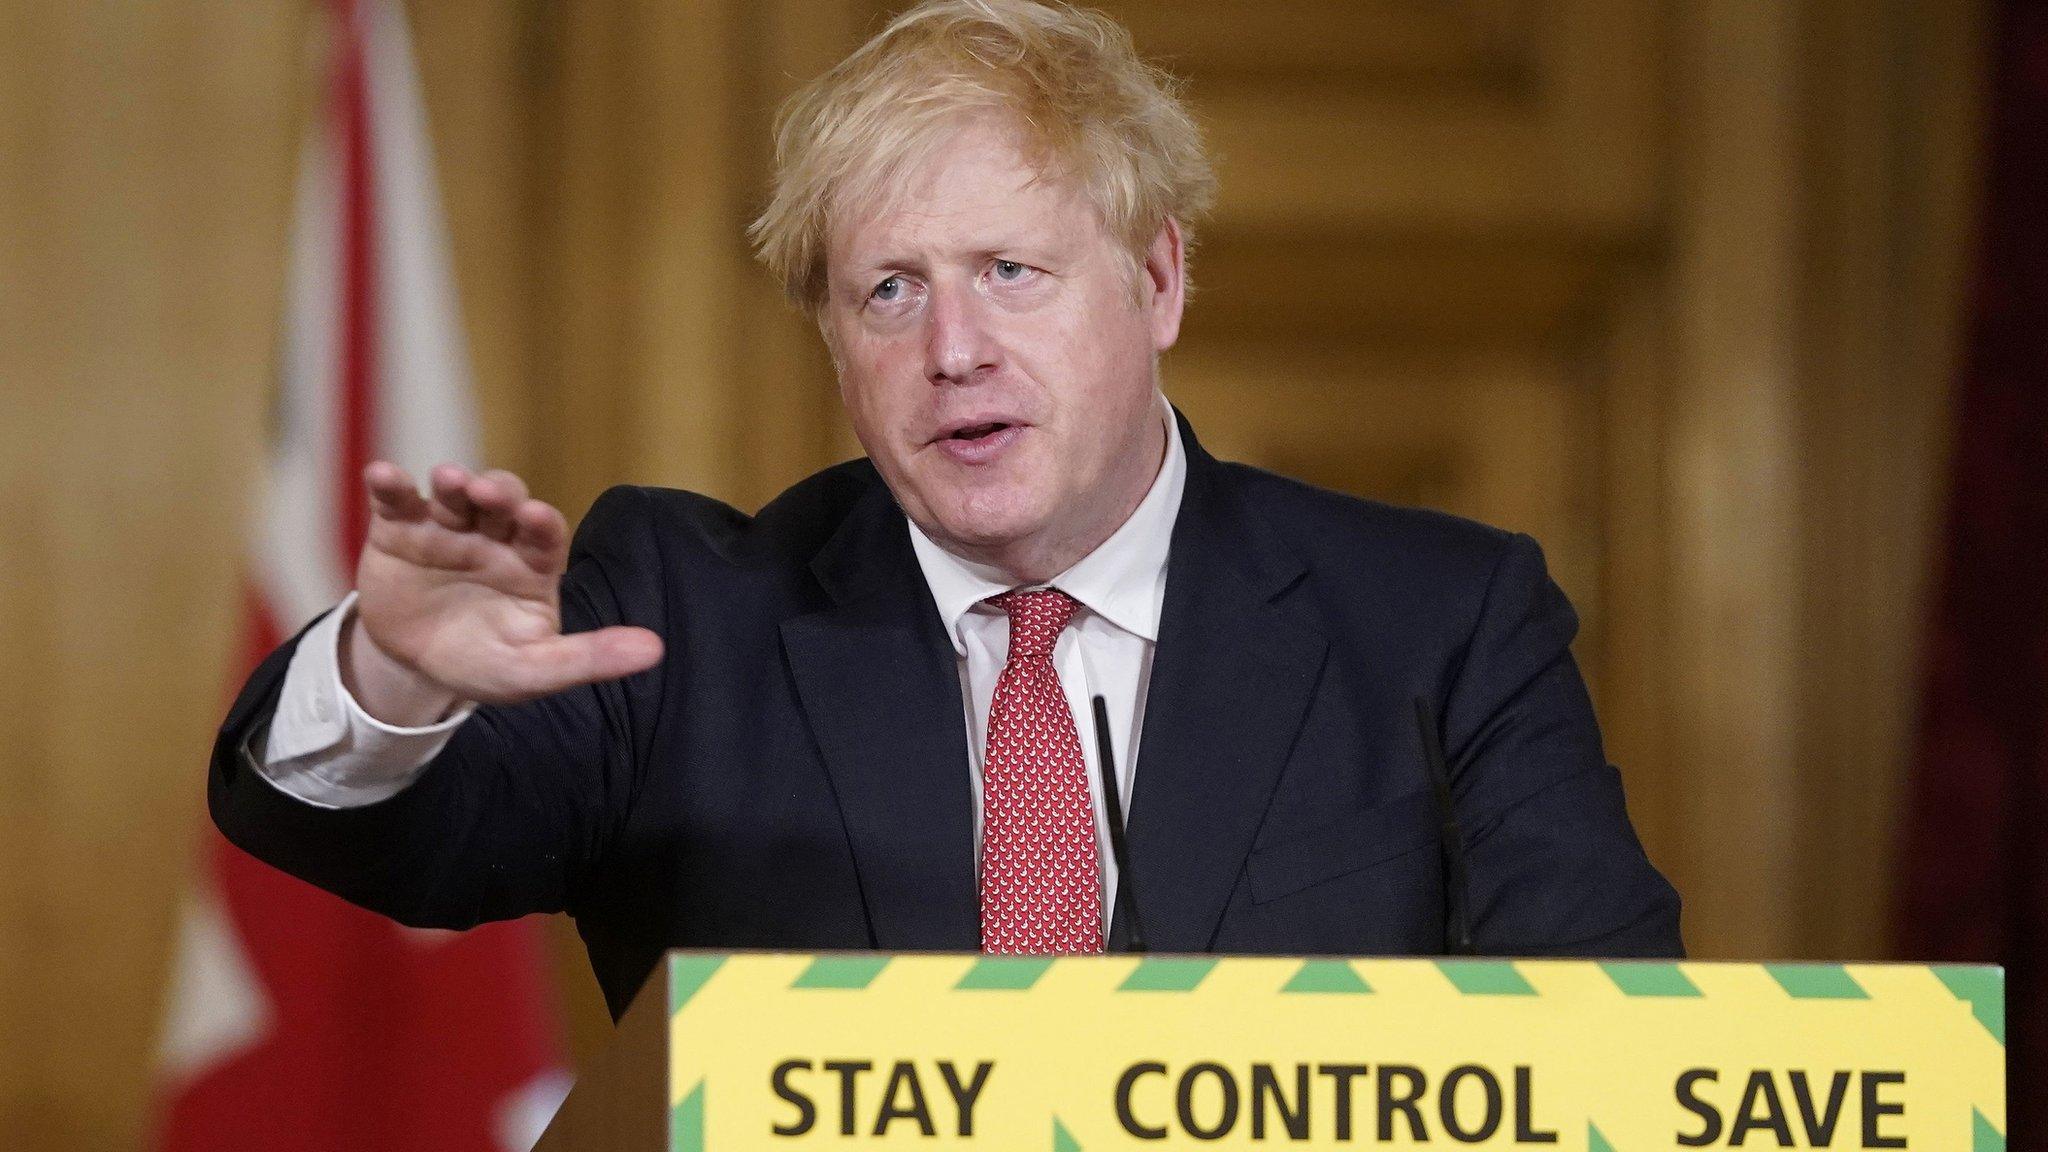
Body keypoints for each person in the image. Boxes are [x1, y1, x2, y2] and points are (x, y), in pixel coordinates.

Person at [210, 0, 1681, 1020]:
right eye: (889, 290)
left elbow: (1608, 1048)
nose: (953, 348)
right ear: (834, 339)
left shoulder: (1438, 619)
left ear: (1158, 281)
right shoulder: (687, 613)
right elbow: (422, 849)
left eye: (1011, 272)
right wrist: (391, 685)